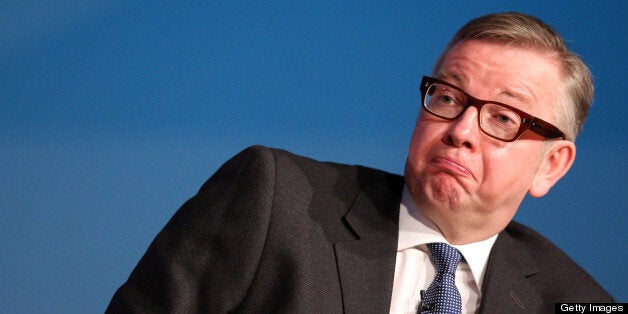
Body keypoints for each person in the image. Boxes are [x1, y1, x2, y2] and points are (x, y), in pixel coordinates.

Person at [107, 12, 614, 313]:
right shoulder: (274, 201)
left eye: (502, 119)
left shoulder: (576, 300)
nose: (460, 131)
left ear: (552, 164)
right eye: (448, 98)